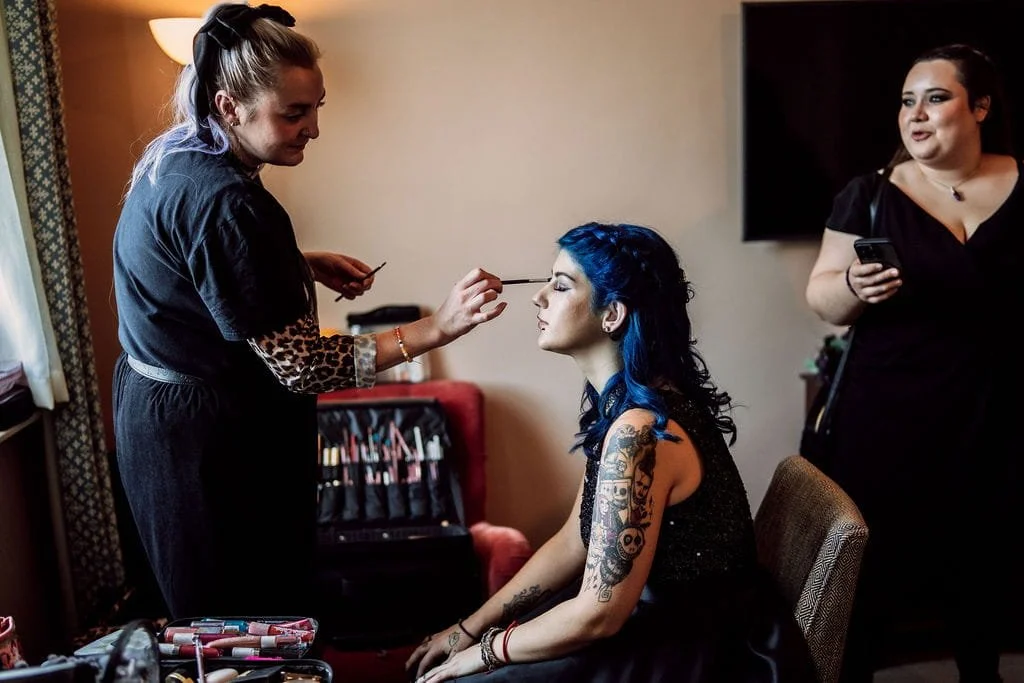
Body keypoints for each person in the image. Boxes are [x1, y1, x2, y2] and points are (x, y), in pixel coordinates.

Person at [112, 1, 506, 619]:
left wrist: (294, 263)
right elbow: (303, 368)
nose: (314, 127)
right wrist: (439, 327)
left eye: (317, 106)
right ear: (228, 107)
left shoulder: (177, 154)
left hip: (156, 414)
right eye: (294, 112)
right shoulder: (231, 206)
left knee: (213, 616)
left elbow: (190, 271)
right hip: (210, 445)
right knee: (243, 623)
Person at [405, 222, 816, 683]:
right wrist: (470, 628)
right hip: (648, 618)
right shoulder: (634, 406)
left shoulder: (640, 431)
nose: (539, 297)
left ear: (612, 314)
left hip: (690, 651)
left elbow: (597, 615)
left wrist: (485, 652)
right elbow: (573, 541)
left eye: (560, 285)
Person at [806, 44, 1023, 682]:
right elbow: (823, 299)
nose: (916, 115)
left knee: (987, 584)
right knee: (871, 589)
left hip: (1000, 421)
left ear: (980, 107)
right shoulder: (868, 194)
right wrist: (852, 284)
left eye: (936, 98)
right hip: (887, 423)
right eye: (907, 101)